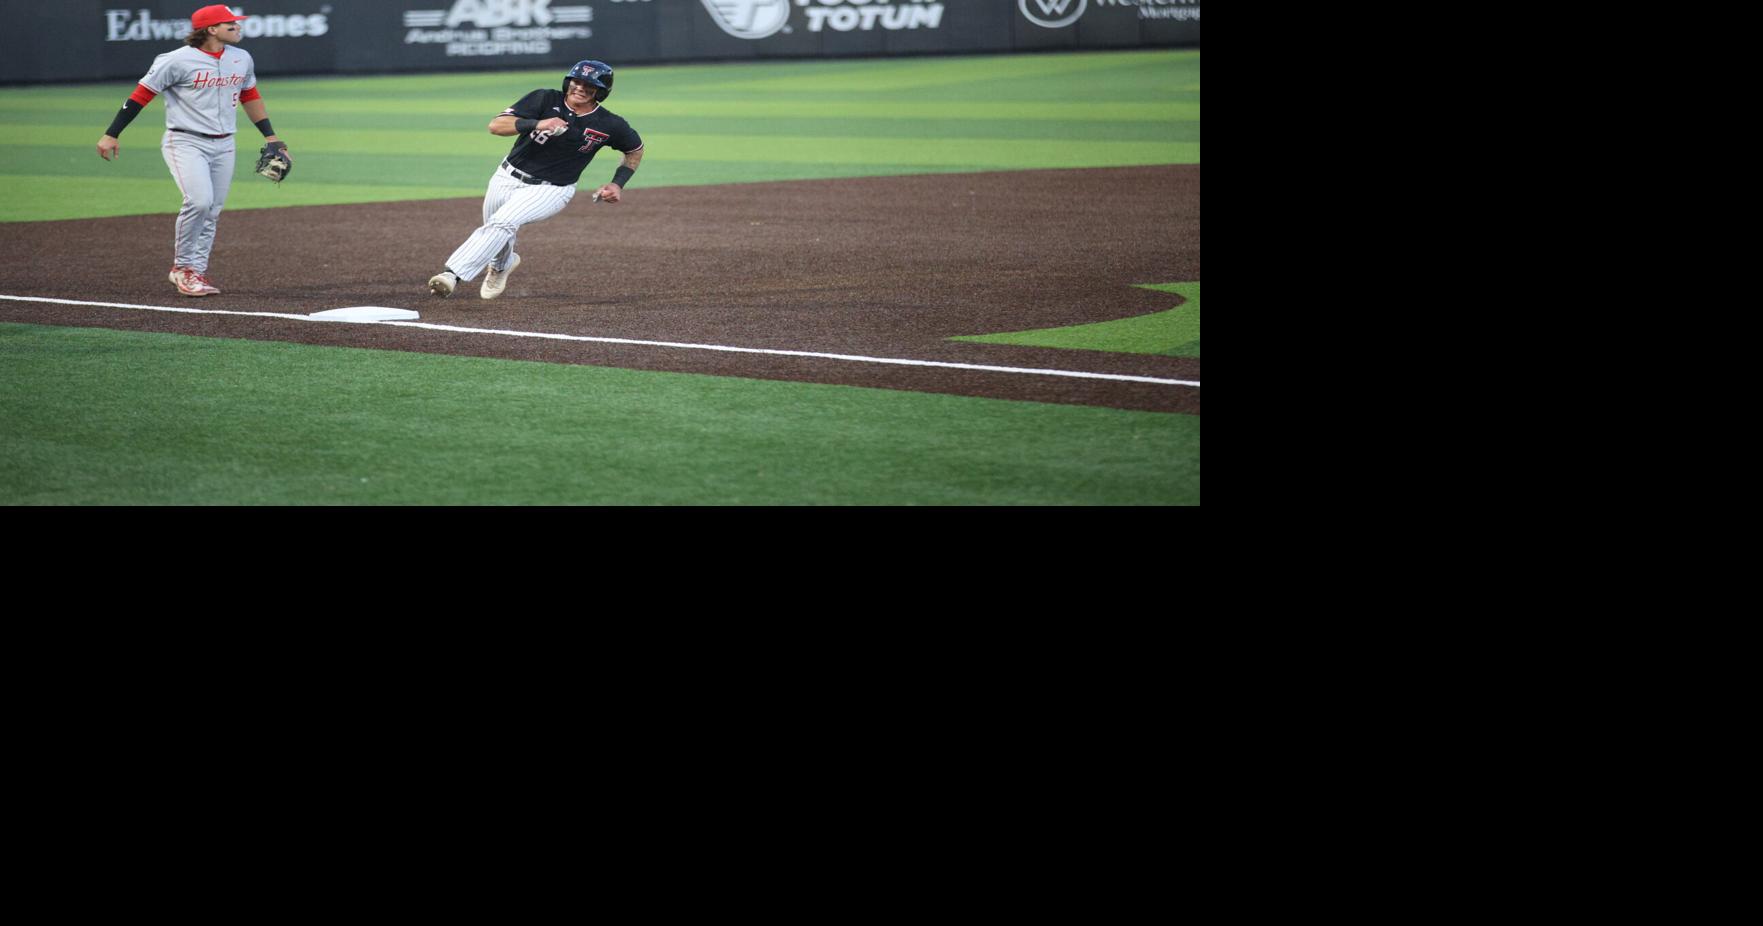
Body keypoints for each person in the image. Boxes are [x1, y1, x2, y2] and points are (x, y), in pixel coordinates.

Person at [97, 5, 289, 298]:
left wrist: (271, 137)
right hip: (185, 141)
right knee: (199, 202)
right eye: (231, 24)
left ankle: (195, 272)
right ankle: (182, 268)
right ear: (211, 29)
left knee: (212, 210)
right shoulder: (176, 60)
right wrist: (112, 133)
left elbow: (250, 96)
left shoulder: (241, 58)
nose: (238, 27)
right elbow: (140, 95)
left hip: (225, 143)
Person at [429, 59, 644, 300]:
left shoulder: (609, 124)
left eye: (589, 85)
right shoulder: (544, 99)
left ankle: (452, 275)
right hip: (506, 176)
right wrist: (538, 123)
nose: (580, 88)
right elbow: (496, 126)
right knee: (497, 229)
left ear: (601, 91)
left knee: (503, 223)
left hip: (552, 189)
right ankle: (501, 265)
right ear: (568, 81)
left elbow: (635, 150)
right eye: (577, 81)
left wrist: (617, 183)